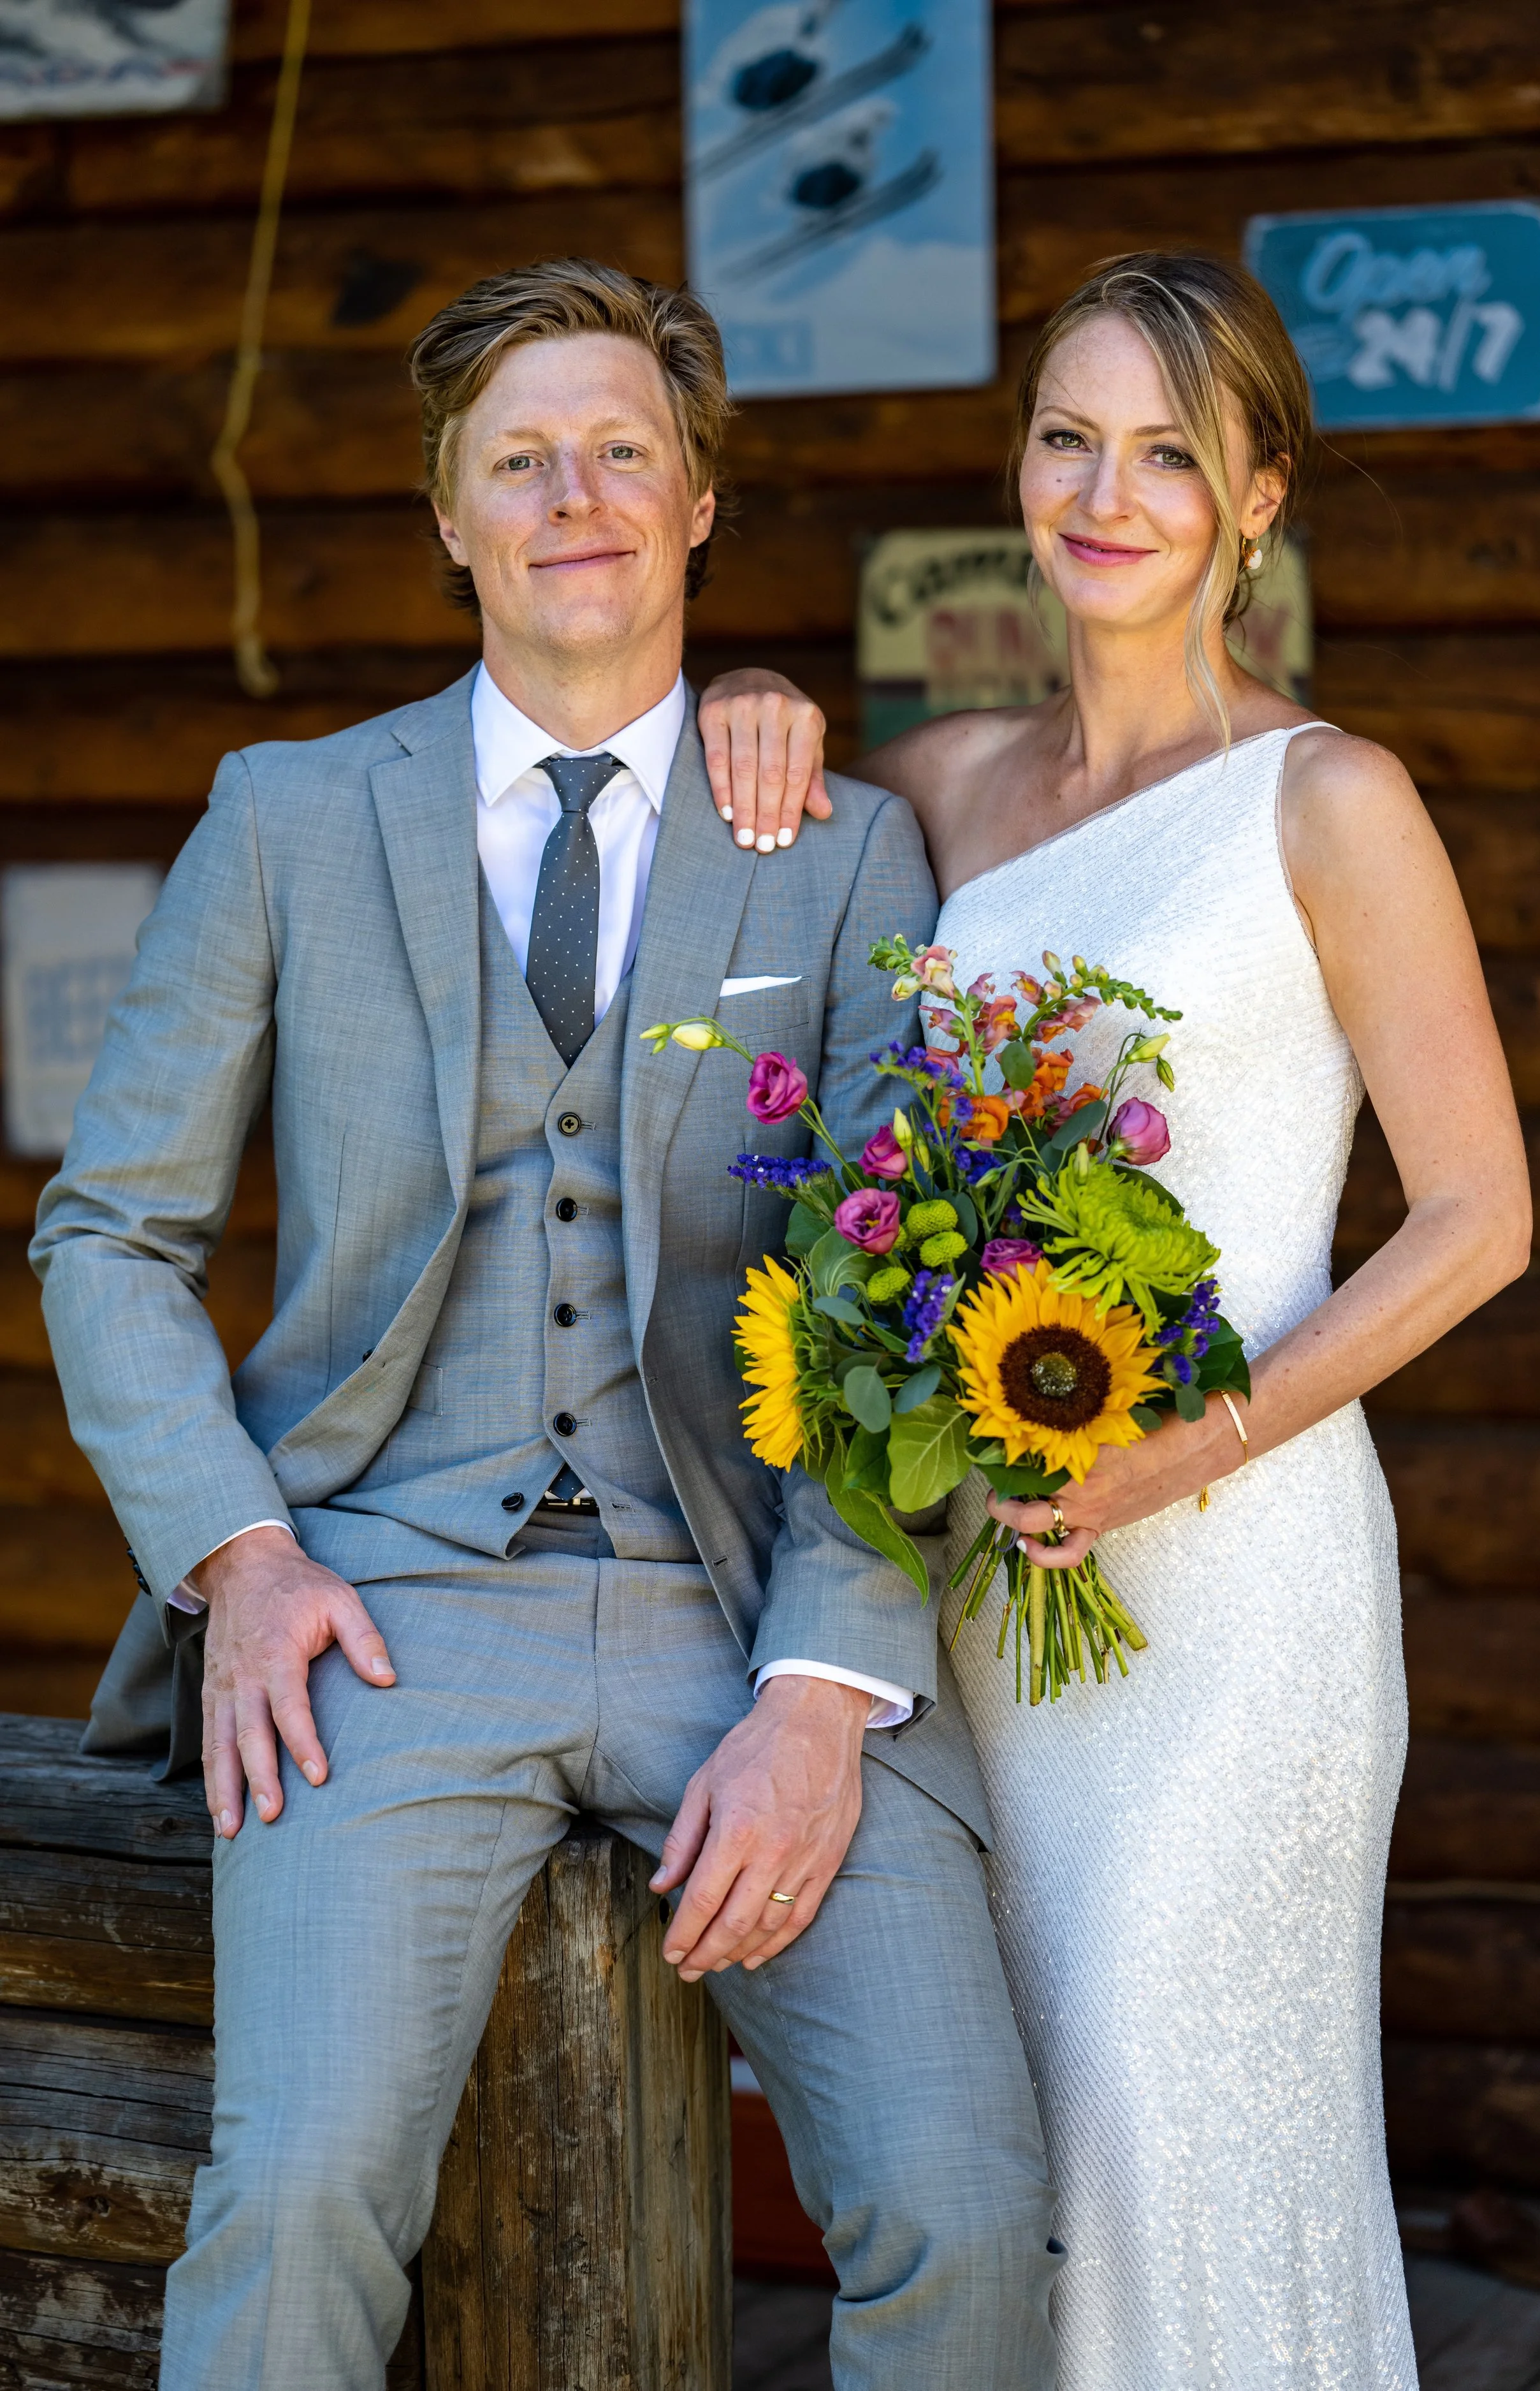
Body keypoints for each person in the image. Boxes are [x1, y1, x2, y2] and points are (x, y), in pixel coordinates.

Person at [32, 259, 1059, 2391]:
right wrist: (243, 1556)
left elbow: (904, 1288)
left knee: (965, 2205)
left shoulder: (843, 852)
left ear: (698, 503)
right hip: (380, 1615)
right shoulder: (287, 817)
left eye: (619, 450)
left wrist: (825, 1680)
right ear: (448, 515)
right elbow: (110, 1231)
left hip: (747, 1607)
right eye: (518, 460)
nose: (572, 495)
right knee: (299, 2196)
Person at [696, 250, 1530, 2388]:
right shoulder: (948, 780)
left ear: (1258, 500)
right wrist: (751, 701)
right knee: (1035, 2164)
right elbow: (754, 855)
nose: (1105, 492)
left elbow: (1478, 1219)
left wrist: (1184, 1445)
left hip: (1239, 1597)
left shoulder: (1328, 798)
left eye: (1168, 452)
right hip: (993, 1598)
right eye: (1067, 438)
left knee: (1177, 2140)